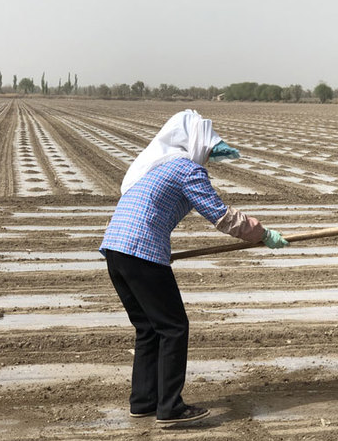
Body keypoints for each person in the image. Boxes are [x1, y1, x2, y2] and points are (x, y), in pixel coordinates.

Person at [100, 109, 288, 424]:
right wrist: (263, 233)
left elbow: (145, 216)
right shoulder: (187, 170)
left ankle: (144, 401)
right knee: (174, 328)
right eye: (209, 149)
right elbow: (222, 216)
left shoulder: (152, 167)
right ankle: (171, 407)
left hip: (116, 251)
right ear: (195, 144)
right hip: (141, 253)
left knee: (148, 328)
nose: (210, 157)